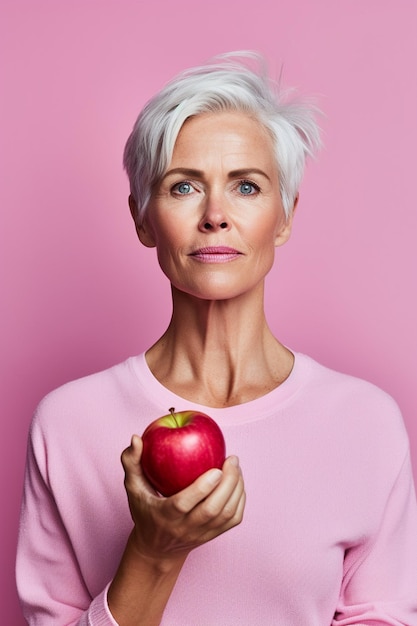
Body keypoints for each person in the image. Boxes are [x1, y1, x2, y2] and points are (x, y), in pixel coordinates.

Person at [16, 52, 417, 625]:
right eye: (183, 187)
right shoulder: (67, 424)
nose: (215, 216)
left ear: (285, 215)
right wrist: (154, 553)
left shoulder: (366, 423)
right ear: (142, 218)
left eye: (247, 187)